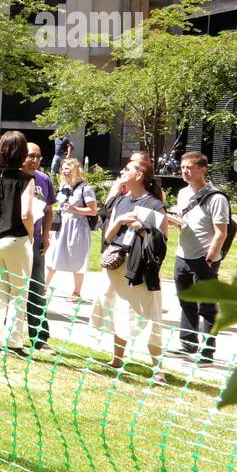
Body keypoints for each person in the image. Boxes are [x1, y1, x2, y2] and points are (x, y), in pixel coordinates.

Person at [90, 156, 169, 373]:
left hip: (140, 269)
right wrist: (119, 221)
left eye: (127, 169)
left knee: (148, 315)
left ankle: (158, 368)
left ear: (140, 175)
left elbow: (161, 242)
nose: (122, 172)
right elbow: (108, 236)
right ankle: (117, 359)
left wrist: (141, 228)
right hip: (117, 266)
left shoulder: (155, 204)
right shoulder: (120, 200)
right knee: (117, 309)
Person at [165, 151, 230, 363]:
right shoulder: (183, 193)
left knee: (207, 307)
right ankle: (187, 344)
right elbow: (186, 220)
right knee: (186, 303)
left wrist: (209, 260)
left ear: (202, 170)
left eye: (189, 168)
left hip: (204, 260)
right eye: (183, 167)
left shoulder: (216, 198)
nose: (184, 171)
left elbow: (221, 233)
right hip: (182, 256)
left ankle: (208, 351)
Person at [0, 131, 37, 353]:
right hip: (15, 238)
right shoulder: (26, 180)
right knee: (18, 292)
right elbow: (26, 214)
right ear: (21, 152)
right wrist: (30, 235)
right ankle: (14, 341)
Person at [45, 157, 98, 301]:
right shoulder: (64, 186)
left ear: (75, 169)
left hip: (77, 227)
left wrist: (75, 209)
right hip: (61, 226)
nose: (64, 172)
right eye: (63, 169)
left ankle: (76, 292)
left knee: (78, 258)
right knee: (53, 255)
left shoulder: (86, 188)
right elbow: (59, 208)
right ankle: (43, 287)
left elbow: (93, 211)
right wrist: (50, 229)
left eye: (67, 169)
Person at [22, 141, 57, 349]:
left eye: (38, 156)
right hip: (16, 240)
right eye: (30, 156)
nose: (34, 160)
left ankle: (39, 338)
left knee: (36, 288)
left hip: (35, 242)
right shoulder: (13, 176)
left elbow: (49, 211)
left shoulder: (44, 180)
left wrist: (45, 237)